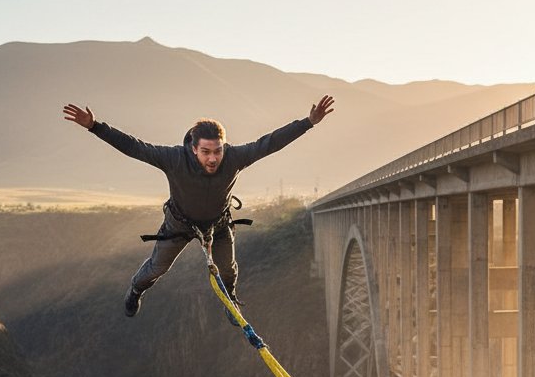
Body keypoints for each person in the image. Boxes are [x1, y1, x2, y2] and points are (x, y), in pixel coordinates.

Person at [63, 96, 335, 317]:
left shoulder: (234, 157)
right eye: (206, 152)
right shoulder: (173, 158)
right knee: (157, 268)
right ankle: (136, 289)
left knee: (227, 270)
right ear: (193, 148)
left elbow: (270, 143)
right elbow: (134, 147)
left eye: (218, 150)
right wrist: (95, 126)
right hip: (179, 224)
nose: (214, 158)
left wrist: (308, 123)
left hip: (217, 224)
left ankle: (231, 303)